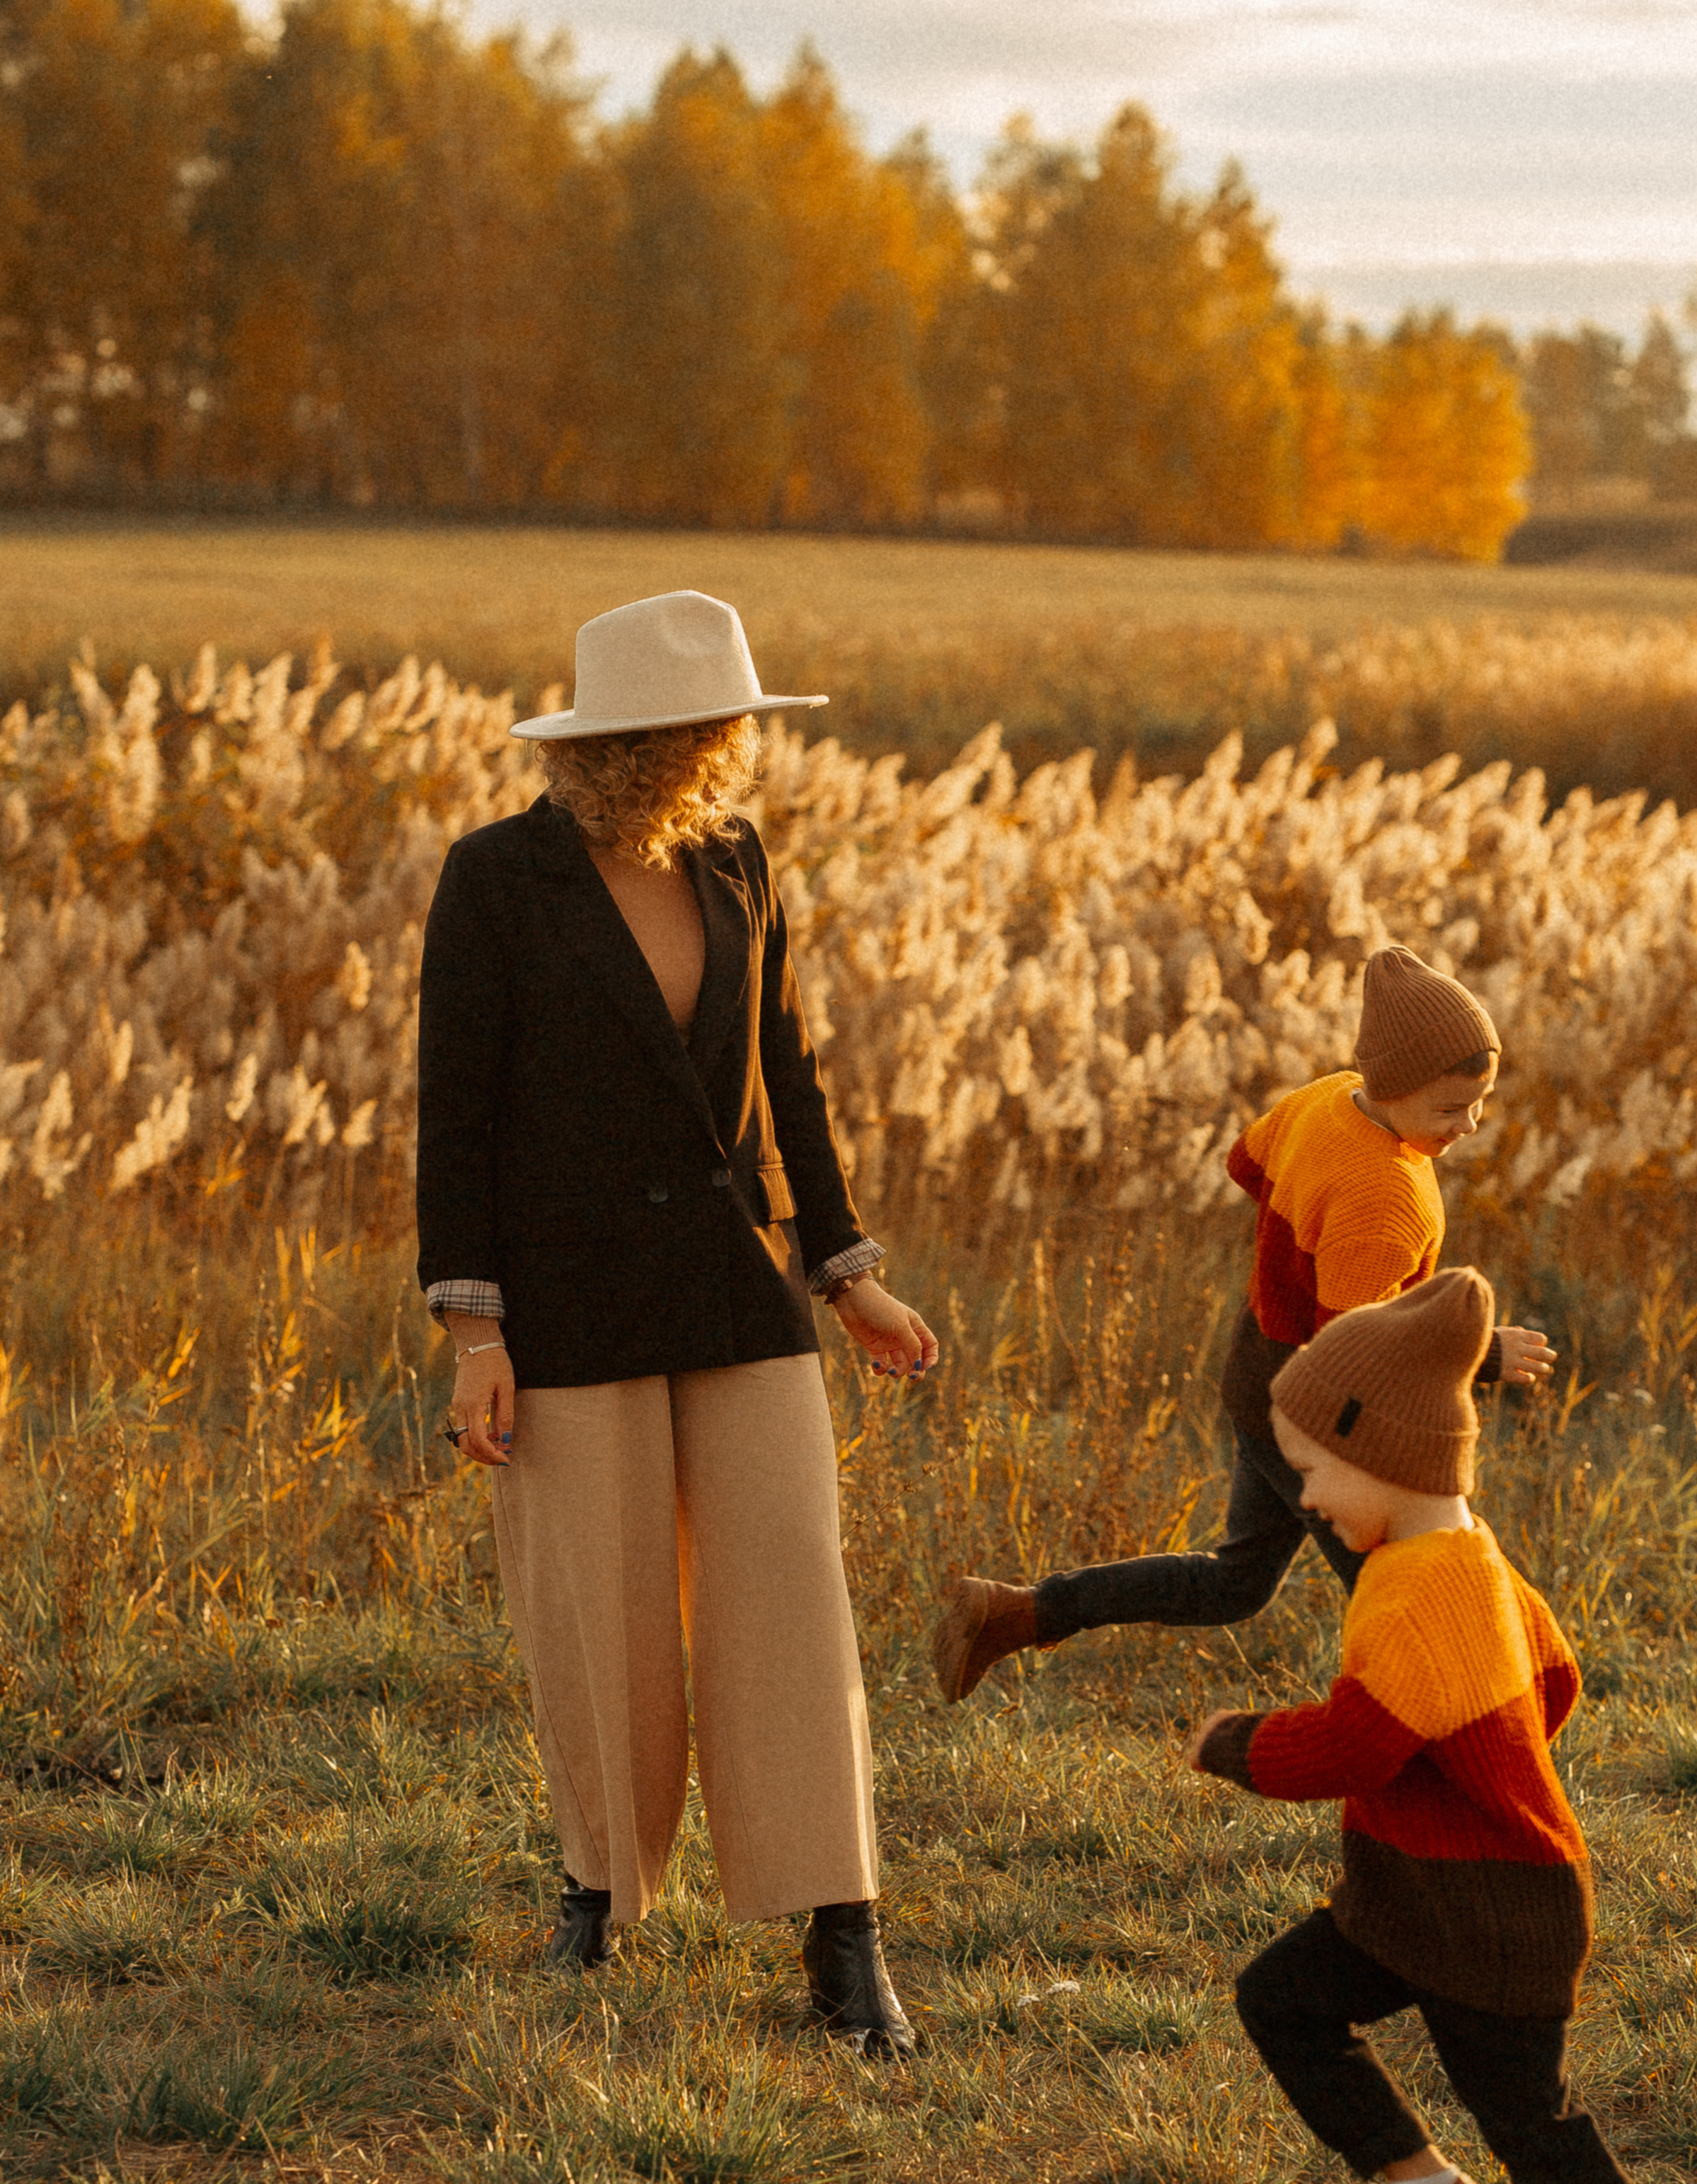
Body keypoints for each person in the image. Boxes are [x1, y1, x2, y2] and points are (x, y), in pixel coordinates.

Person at [415, 590, 938, 2057]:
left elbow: (786, 1071)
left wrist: (845, 1271)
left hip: (734, 1278)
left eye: (730, 731)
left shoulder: (737, 859)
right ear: (623, 743)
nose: (725, 754)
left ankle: (842, 1936)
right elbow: (454, 1114)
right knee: (599, 1605)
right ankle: (598, 1892)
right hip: (564, 1294)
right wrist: (475, 1333)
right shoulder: (494, 878)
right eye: (706, 731)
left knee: (791, 1601)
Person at [1190, 1270, 1697, 2184]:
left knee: (1536, 2130)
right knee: (1284, 1999)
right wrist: (1479, 1767)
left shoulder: (1419, 1592)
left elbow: (1353, 1747)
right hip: (1419, 1895)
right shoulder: (1470, 1556)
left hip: (1493, 1913)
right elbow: (1556, 1678)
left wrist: (1237, 1744)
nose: (1306, 1500)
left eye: (1314, 1472)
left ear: (1383, 1452)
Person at [933, 945, 1555, 1703]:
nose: (1471, 1124)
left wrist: (1299, 1241)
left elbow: (1244, 1163)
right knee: (1401, 1582)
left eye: (1479, 1102)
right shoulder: (1385, 1194)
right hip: (1314, 1416)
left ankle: (1016, 1613)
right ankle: (1430, 1729)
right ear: (1392, 1086)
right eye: (1450, 1109)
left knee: (1236, 1584)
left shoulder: (1329, 1098)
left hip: (1259, 1371)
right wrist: (1480, 1352)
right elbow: (1351, 1355)